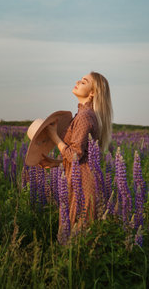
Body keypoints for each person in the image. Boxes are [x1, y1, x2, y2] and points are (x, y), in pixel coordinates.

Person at [42, 71, 113, 228]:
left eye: (84, 81)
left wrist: (54, 136)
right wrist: (56, 162)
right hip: (80, 177)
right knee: (75, 235)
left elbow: (75, 155)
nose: (78, 81)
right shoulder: (84, 114)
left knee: (74, 236)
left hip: (81, 182)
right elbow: (79, 153)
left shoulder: (84, 116)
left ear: (92, 93)